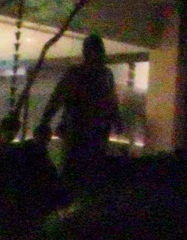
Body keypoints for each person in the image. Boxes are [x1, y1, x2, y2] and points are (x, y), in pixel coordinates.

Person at [35, 32, 122, 196]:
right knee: (73, 170)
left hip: (95, 131)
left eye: (98, 50)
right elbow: (58, 97)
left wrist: (115, 118)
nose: (97, 54)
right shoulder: (76, 73)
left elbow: (111, 100)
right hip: (77, 129)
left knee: (90, 171)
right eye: (94, 50)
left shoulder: (105, 74)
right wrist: (46, 119)